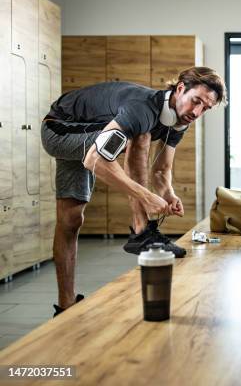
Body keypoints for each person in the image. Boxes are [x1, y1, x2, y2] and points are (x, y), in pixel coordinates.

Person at [40, 67, 226, 316]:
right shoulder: (142, 109)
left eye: (205, 108)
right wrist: (147, 197)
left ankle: (65, 306)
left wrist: (168, 193)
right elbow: (96, 158)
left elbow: (161, 171)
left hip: (86, 132)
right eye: (196, 101)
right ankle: (141, 231)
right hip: (60, 128)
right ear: (180, 89)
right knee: (140, 136)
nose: (197, 112)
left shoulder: (180, 121)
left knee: (71, 220)